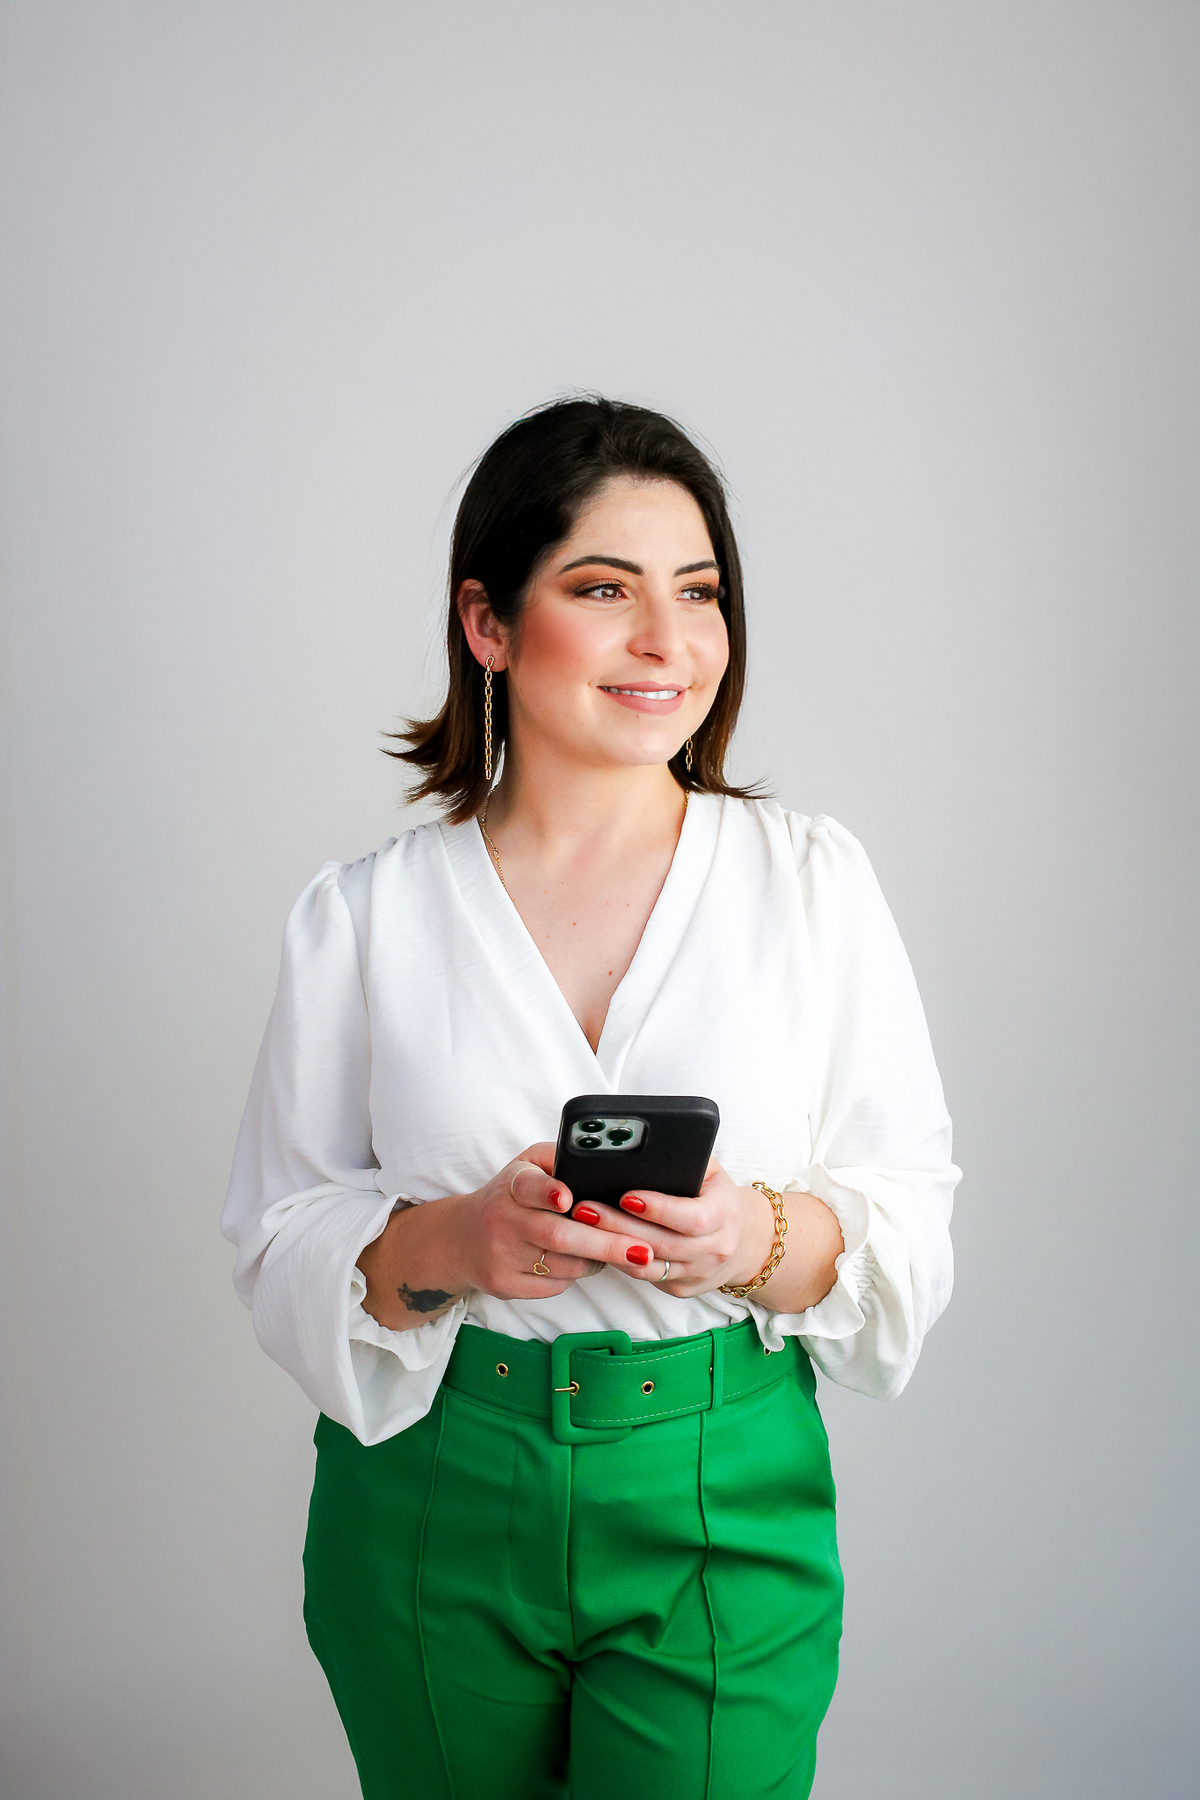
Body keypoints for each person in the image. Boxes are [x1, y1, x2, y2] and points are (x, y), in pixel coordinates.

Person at [222, 397, 960, 1800]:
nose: (668, 641)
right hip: (436, 1492)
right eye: (605, 589)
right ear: (488, 625)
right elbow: (279, 1234)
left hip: (721, 1483)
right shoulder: (365, 917)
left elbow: (908, 1217)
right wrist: (460, 1241)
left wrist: (750, 1237)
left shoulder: (809, 884)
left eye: (701, 592)